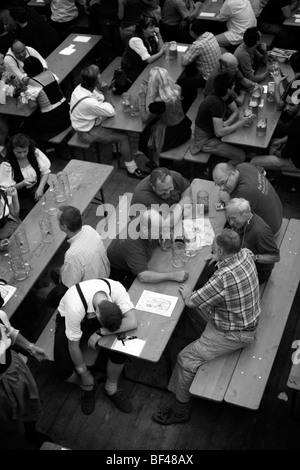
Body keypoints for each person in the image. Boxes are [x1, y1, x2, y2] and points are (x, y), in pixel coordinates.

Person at [152, 229, 261, 425]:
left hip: (233, 334)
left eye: (214, 248)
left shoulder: (222, 278)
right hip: (240, 318)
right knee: (194, 313)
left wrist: (187, 294)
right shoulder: (244, 254)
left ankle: (180, 411)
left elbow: (193, 300)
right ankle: (200, 341)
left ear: (220, 250)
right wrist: (217, 258)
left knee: (185, 358)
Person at [54, 279, 137, 415]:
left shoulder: (116, 289)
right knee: (63, 371)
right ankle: (88, 386)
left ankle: (111, 388)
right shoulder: (75, 306)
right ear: (96, 315)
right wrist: (84, 374)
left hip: (97, 321)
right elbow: (73, 347)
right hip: (69, 318)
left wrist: (101, 332)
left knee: (121, 345)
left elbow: (132, 321)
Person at [70, 64, 148, 179]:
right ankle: (132, 169)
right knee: (124, 137)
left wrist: (104, 97)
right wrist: (106, 92)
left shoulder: (80, 88)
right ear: (96, 81)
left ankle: (123, 151)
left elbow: (101, 100)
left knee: (121, 125)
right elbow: (111, 110)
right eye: (99, 77)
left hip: (92, 122)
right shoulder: (88, 102)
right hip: (87, 132)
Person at [37, 205, 111, 307]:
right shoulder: (88, 229)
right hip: (103, 274)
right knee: (54, 272)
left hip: (90, 292)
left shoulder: (72, 254)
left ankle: (64, 310)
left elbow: (69, 287)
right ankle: (52, 286)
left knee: (40, 293)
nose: (57, 223)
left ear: (64, 227)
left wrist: (63, 276)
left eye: (58, 221)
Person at [0, 309, 50, 449]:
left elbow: (9, 331)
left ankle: (31, 433)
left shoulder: (0, 316)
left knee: (28, 401)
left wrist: (30, 347)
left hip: (13, 370)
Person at [107, 209, 189, 289]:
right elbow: (143, 276)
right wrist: (173, 275)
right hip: (123, 272)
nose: (162, 233)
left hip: (142, 257)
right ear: (145, 229)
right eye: (158, 231)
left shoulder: (145, 216)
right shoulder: (132, 244)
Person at [190, 73, 249, 165]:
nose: (235, 87)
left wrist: (227, 123)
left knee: (242, 142)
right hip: (205, 141)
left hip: (214, 132)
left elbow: (236, 112)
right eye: (233, 86)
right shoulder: (215, 103)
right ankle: (221, 172)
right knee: (241, 156)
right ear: (229, 90)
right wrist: (240, 123)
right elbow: (219, 132)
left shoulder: (223, 94)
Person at [138, 66, 192, 166]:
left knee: (143, 138)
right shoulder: (176, 89)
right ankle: (164, 162)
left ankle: (157, 162)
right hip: (184, 128)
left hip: (172, 135)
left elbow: (144, 119)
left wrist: (142, 98)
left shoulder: (158, 103)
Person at [212, 162, 283, 235]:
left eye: (223, 183)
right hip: (278, 216)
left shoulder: (244, 192)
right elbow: (263, 171)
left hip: (270, 231)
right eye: (218, 184)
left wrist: (227, 200)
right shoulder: (243, 166)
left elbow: (234, 224)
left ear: (232, 173)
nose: (221, 188)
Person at [226, 198, 280, 283]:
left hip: (257, 272)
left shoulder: (260, 231)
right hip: (243, 262)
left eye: (234, 219)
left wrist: (255, 257)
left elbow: (275, 257)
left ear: (245, 214)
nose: (231, 223)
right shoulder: (244, 221)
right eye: (229, 218)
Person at [20, 56, 71, 145]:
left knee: (26, 127)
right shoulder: (50, 73)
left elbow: (33, 106)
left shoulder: (32, 83)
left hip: (54, 119)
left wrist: (25, 90)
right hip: (67, 111)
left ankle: (46, 148)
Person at [5, 133, 50, 218]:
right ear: (12, 150)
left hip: (39, 186)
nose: (22, 155)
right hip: (21, 195)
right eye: (18, 152)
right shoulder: (7, 164)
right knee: (32, 215)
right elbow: (8, 189)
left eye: (25, 151)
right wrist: (22, 183)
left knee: (50, 204)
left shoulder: (34, 153)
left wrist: (40, 188)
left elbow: (45, 172)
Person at [250, 98, 300, 172]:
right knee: (274, 141)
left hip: (295, 162)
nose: (286, 108)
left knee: (253, 161)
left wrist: (274, 152)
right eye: (286, 104)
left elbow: (284, 154)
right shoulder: (297, 121)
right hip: (293, 150)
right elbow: (294, 136)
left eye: (292, 105)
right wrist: (281, 141)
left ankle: (270, 175)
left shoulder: (297, 126)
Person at [120, 16, 166, 85]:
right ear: (143, 29)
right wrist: (161, 53)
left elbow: (160, 48)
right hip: (134, 70)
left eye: (154, 26)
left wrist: (159, 34)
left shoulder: (151, 35)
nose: (154, 29)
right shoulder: (135, 40)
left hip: (146, 66)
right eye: (151, 27)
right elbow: (148, 59)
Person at [181, 19, 222, 88]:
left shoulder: (197, 45)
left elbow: (184, 62)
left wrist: (183, 55)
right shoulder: (210, 34)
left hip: (207, 79)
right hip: (218, 73)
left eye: (190, 30)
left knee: (180, 83)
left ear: (193, 33)